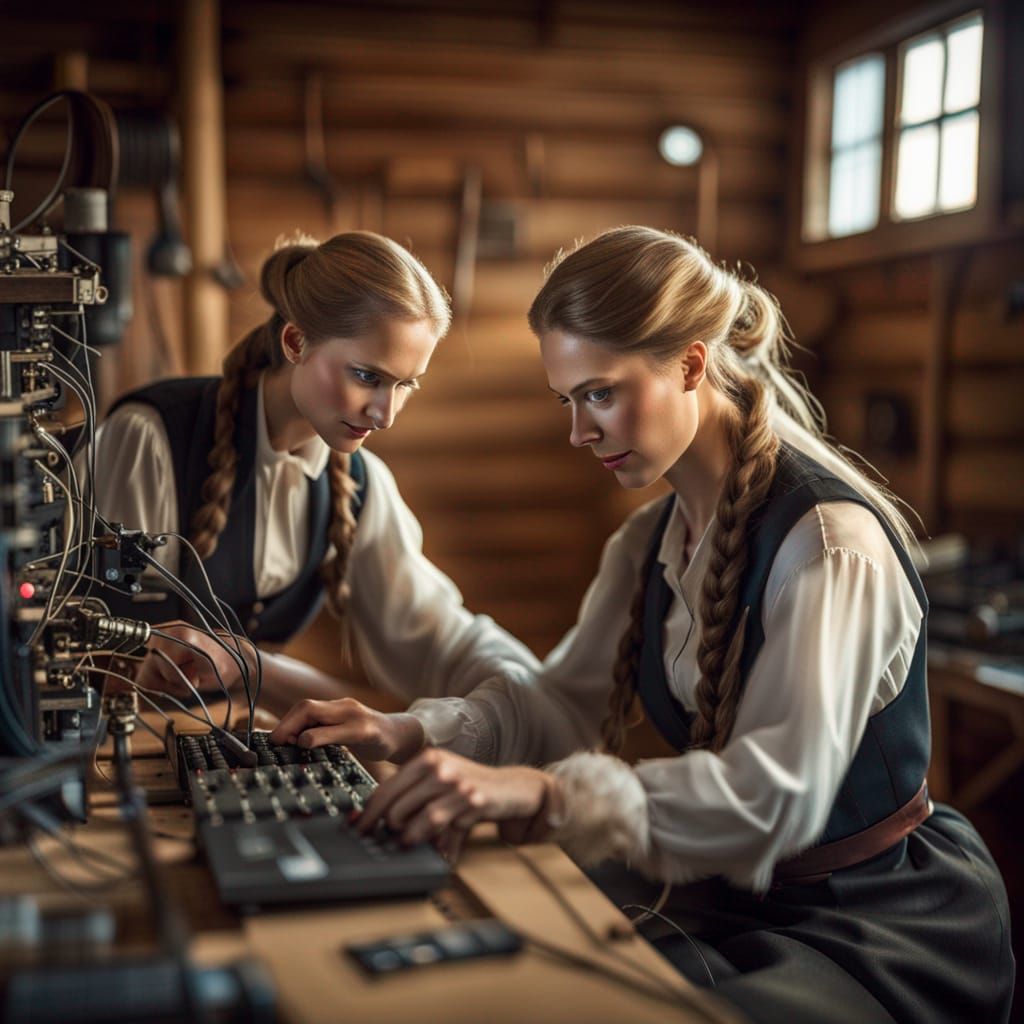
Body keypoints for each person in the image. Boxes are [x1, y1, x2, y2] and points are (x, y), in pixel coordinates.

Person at [269, 226, 1015, 1023]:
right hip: (738, 904)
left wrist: (545, 794)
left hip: (876, 928)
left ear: (692, 364)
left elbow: (775, 799)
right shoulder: (650, 542)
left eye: (600, 392)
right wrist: (408, 734)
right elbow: (560, 702)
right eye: (569, 399)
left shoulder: (830, 547)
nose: (578, 432)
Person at [93, 231, 538, 721]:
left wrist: (538, 697)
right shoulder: (151, 437)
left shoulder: (363, 484)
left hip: (225, 746)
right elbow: (98, 643)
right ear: (295, 340)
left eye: (405, 383)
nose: (386, 414)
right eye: (367, 376)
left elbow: (439, 640)